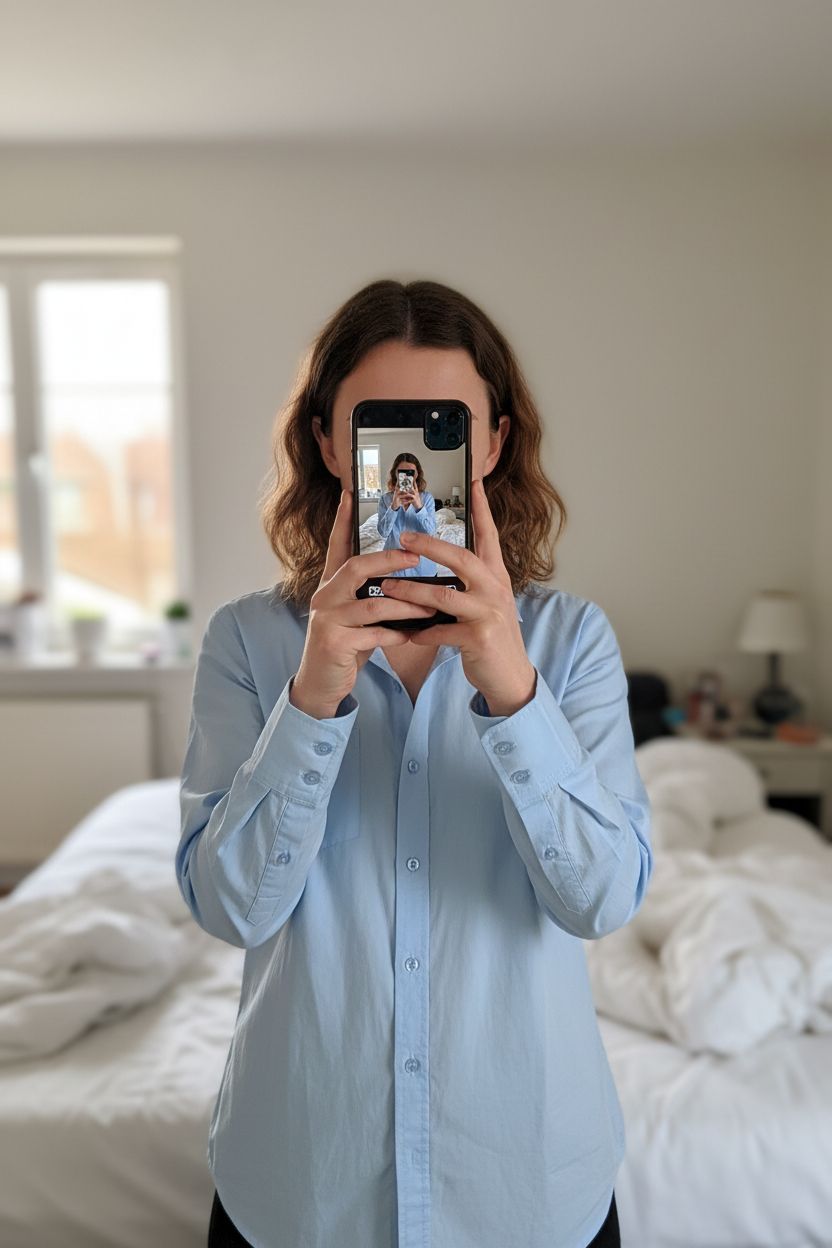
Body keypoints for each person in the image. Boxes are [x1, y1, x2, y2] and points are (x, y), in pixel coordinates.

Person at [176, 278, 653, 1248]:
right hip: (299, 1190)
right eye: (374, 429)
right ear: (327, 446)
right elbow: (230, 909)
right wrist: (313, 695)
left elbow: (602, 901)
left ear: (491, 443)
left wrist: (511, 688)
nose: (408, 466)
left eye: (440, 429)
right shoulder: (247, 645)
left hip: (527, 1192)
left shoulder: (568, 645)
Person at [376, 452, 438, 578]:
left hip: (423, 568)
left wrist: (419, 506)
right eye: (401, 472)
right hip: (393, 568)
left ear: (416, 474)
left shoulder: (427, 499)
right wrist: (393, 506)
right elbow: (383, 532)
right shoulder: (385, 499)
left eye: (410, 472)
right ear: (395, 474)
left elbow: (431, 531)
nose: (406, 476)